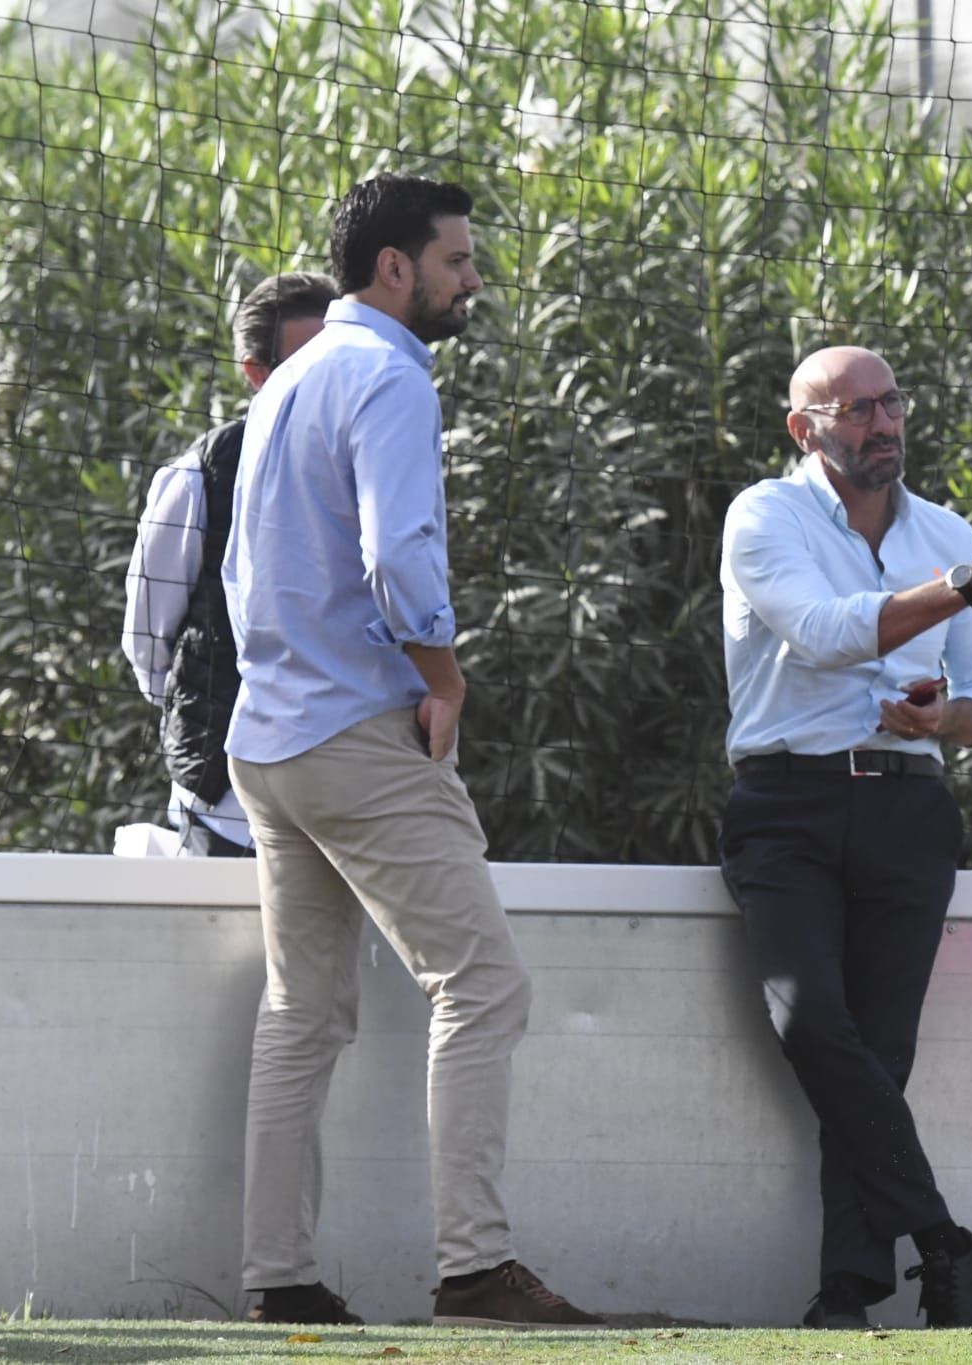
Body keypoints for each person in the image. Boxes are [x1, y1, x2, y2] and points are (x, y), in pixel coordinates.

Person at [222, 174, 599, 1329]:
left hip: (269, 739)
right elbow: (401, 562)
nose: (472, 279)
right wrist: (445, 678)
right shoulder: (386, 374)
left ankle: (278, 1282)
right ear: (394, 268)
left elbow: (248, 569)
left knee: (303, 1013)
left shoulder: (288, 381)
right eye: (456, 262)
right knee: (482, 985)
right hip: (353, 734)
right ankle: (474, 1270)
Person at [717, 346, 972, 1330]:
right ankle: (943, 1240)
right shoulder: (763, 516)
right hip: (785, 806)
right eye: (854, 409)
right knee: (810, 1022)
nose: (882, 423)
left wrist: (944, 723)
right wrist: (963, 584)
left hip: (906, 809)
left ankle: (848, 1290)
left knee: (875, 1056)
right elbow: (820, 630)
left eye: (891, 401)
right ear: (802, 428)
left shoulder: (943, 528)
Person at [122, 272, 337, 856]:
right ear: (255, 373)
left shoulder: (370, 465)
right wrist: (208, 702)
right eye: (304, 363)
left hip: (347, 795)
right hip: (226, 802)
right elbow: (148, 640)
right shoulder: (201, 476)